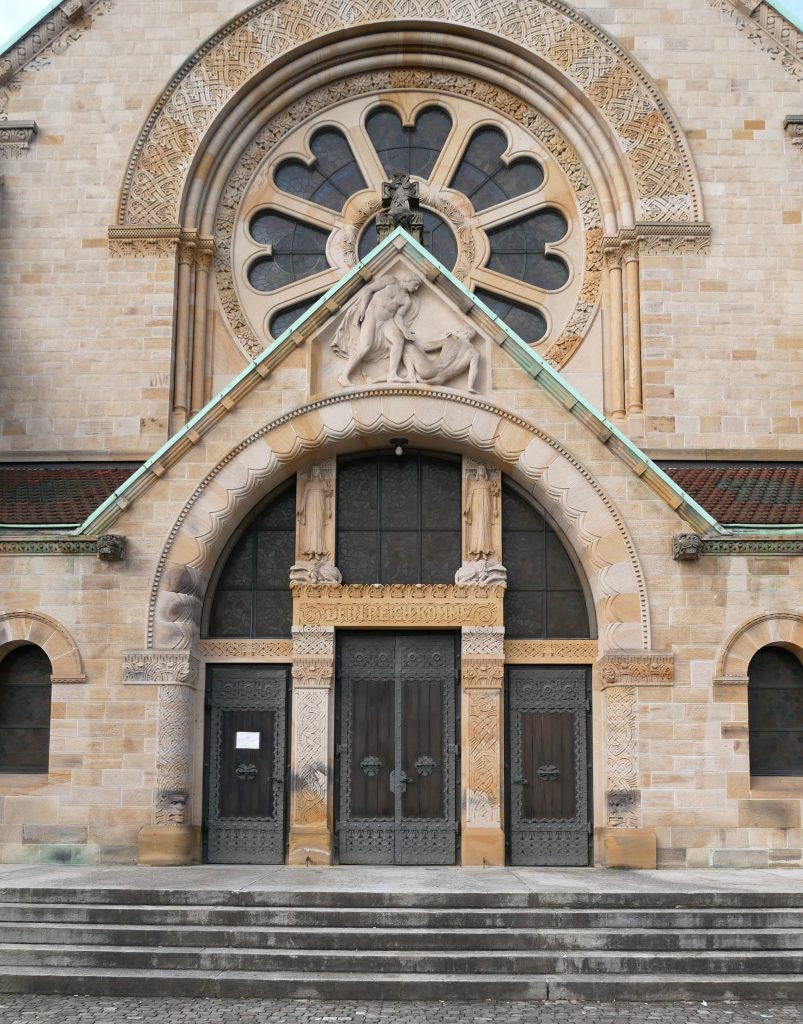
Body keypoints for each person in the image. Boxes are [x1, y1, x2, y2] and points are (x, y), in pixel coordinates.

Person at [332, 276, 421, 385]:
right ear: (408, 280)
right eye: (415, 285)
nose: (416, 289)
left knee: (398, 341)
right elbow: (368, 290)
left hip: (387, 321)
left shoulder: (406, 301)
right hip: (372, 315)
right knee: (365, 346)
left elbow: (398, 317)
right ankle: (344, 376)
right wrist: (362, 310)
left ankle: (392, 375)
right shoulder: (391, 280)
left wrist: (404, 330)